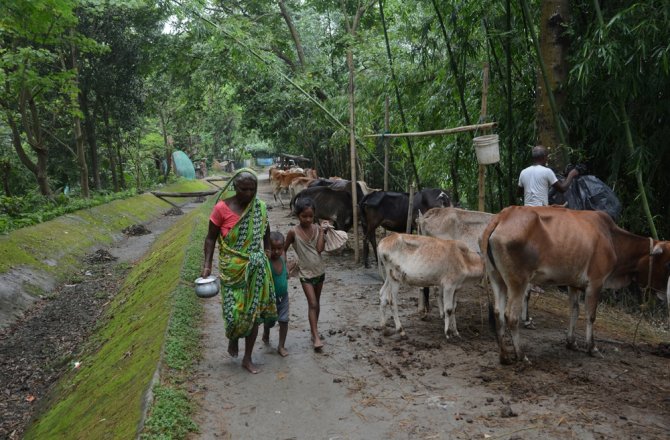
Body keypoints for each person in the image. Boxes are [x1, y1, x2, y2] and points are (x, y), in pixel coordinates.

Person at [201, 169, 277, 374]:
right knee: (234, 313)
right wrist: (207, 264)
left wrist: (267, 250)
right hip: (231, 270)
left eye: (253, 189)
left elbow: (265, 230)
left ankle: (247, 357)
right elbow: (210, 238)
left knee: (253, 313)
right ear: (235, 187)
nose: (249, 193)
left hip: (255, 268)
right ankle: (233, 337)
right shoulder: (221, 209)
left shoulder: (259, 208)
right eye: (244, 189)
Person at [284, 197, 327, 351]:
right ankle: (315, 336)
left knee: (317, 303)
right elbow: (284, 248)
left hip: (319, 271)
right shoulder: (293, 232)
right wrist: (285, 265)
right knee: (312, 303)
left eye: (311, 216)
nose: (308, 219)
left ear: (314, 215)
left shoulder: (317, 229)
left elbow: (320, 249)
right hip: (305, 274)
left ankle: (314, 330)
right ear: (298, 215)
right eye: (304, 216)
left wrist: (322, 231)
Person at [262, 231, 290, 357]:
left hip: (283, 297)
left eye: (279, 248)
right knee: (270, 321)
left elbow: (286, 269)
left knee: (284, 320)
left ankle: (281, 345)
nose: (277, 252)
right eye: (273, 249)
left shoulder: (283, 258)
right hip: (270, 299)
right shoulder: (267, 262)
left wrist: (288, 270)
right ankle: (266, 331)